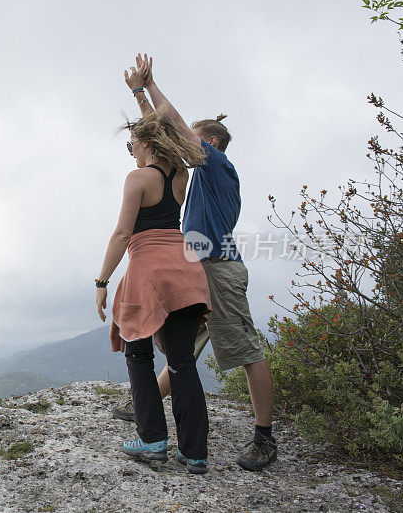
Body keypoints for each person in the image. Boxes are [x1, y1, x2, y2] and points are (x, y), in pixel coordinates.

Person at [116, 54, 278, 472]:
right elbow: (161, 137)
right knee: (183, 353)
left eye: (194, 140)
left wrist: (145, 89)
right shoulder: (196, 174)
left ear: (212, 144)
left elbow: (172, 131)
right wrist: (141, 102)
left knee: (245, 349)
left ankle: (265, 439)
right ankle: (144, 405)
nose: (184, 146)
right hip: (192, 269)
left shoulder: (219, 167)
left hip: (219, 270)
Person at [94, 95, 213, 474]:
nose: (130, 152)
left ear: (146, 143)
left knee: (138, 355)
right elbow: (164, 130)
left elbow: (121, 233)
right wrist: (140, 94)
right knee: (181, 363)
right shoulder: (180, 175)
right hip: (186, 272)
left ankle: (152, 441)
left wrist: (102, 281)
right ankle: (195, 454)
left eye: (132, 145)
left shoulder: (138, 178)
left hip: (147, 272)